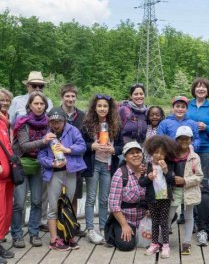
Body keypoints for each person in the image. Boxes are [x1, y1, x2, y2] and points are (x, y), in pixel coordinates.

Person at [9, 71, 53, 232]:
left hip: (39, 162)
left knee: (36, 200)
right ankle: (17, 232)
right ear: (28, 85)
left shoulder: (48, 115)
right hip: (21, 160)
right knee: (19, 202)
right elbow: (12, 129)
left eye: (40, 86)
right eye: (34, 85)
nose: (37, 88)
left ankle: (34, 231)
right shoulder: (18, 107)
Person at [38, 108, 86, 251]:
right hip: (54, 173)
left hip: (70, 171)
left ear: (64, 120)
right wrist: (52, 163)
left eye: (58, 121)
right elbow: (41, 157)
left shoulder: (73, 130)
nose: (56, 124)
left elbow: (82, 146)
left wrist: (67, 150)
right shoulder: (47, 134)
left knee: (68, 205)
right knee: (53, 207)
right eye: (52, 121)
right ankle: (54, 239)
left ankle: (68, 235)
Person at [81, 94, 123, 244]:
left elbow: (121, 146)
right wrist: (92, 146)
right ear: (94, 107)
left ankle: (105, 228)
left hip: (108, 165)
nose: (102, 108)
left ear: (109, 108)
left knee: (105, 199)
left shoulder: (115, 124)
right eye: (99, 106)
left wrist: (114, 150)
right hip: (93, 164)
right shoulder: (87, 125)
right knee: (91, 198)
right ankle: (91, 229)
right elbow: (80, 144)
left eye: (105, 106)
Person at [157, 96, 200, 225]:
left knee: (185, 185)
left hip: (187, 161)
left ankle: (187, 217)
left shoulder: (192, 123)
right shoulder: (165, 123)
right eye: (177, 106)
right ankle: (167, 222)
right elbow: (159, 140)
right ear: (173, 107)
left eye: (183, 107)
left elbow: (197, 138)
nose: (180, 109)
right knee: (169, 187)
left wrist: (193, 146)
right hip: (170, 160)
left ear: (186, 109)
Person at [139, 135, 178, 258]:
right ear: (151, 152)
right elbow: (141, 182)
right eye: (156, 152)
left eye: (162, 153)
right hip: (152, 198)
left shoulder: (168, 165)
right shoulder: (147, 166)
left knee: (164, 222)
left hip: (165, 198)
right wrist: (147, 178)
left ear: (166, 154)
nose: (158, 155)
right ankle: (154, 244)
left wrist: (166, 171)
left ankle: (165, 245)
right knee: (155, 222)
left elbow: (172, 181)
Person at [168, 126, 203, 255]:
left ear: (191, 140)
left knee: (189, 216)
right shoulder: (170, 155)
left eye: (186, 139)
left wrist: (185, 180)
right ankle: (163, 240)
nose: (183, 141)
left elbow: (199, 176)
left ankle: (187, 242)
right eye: (180, 139)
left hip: (189, 190)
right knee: (170, 214)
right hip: (174, 190)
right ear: (176, 139)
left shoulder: (195, 157)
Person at [107, 142, 147, 251]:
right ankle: (116, 228)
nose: (135, 155)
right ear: (125, 157)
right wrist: (124, 225)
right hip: (127, 219)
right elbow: (114, 204)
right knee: (126, 245)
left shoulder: (148, 172)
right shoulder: (120, 174)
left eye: (138, 152)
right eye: (131, 153)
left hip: (146, 217)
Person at [59, 84, 86, 236]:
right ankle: (60, 225)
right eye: (67, 96)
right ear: (62, 97)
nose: (70, 99)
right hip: (58, 162)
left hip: (76, 161)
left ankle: (73, 225)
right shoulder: (54, 113)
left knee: (74, 194)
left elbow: (84, 138)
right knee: (58, 195)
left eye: (73, 96)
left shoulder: (81, 115)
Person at [187, 77, 209, 169]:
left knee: (205, 178)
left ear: (207, 90)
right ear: (194, 89)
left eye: (204, 87)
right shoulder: (187, 104)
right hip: (186, 148)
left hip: (206, 150)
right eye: (198, 86)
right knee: (187, 177)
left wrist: (206, 128)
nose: (201, 89)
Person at [0, 88, 15, 264]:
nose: (4, 103)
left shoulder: (6, 121)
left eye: (6, 100)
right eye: (1, 100)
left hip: (7, 175)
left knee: (5, 212)